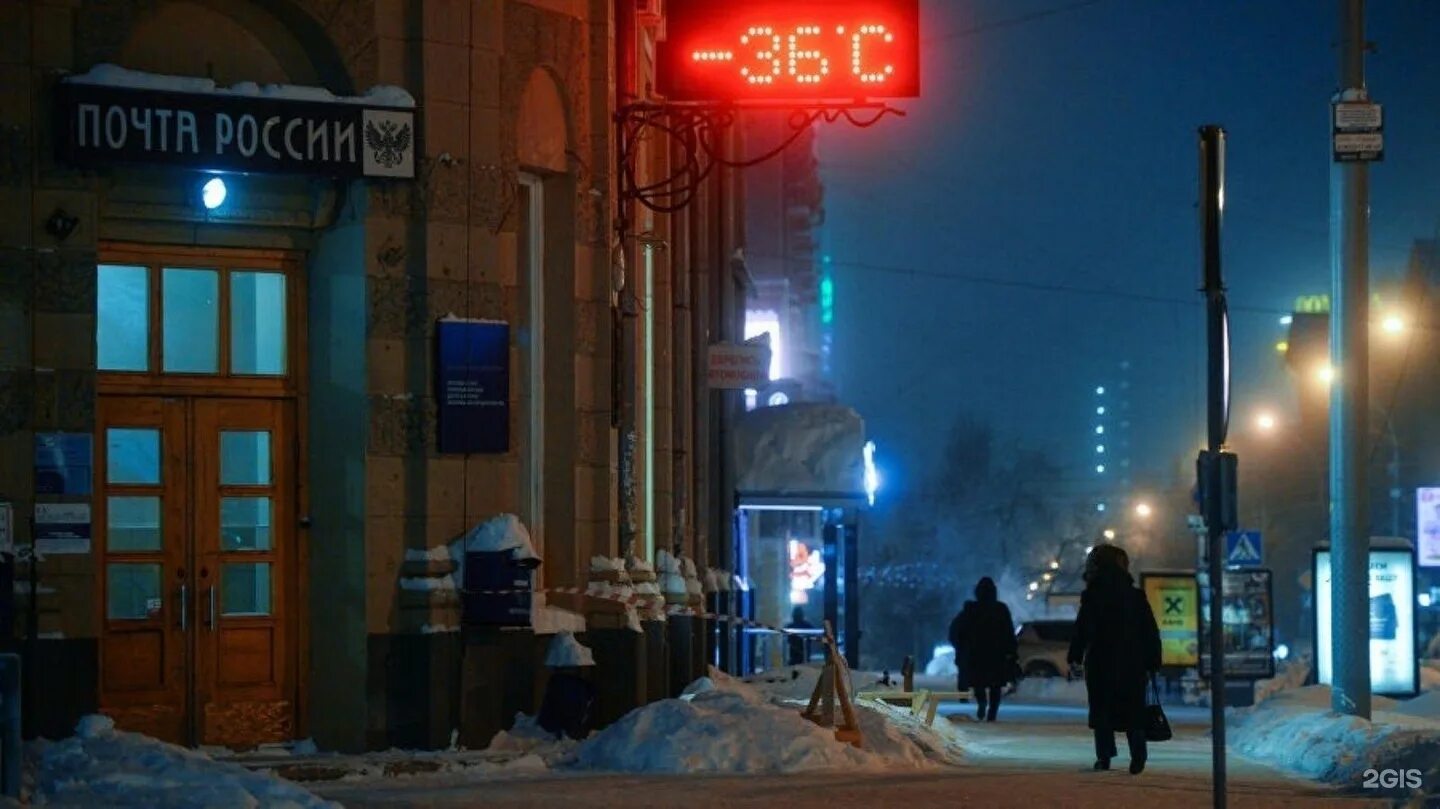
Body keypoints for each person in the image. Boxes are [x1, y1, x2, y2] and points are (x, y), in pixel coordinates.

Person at [1067, 544, 1162, 774]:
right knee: (1134, 710)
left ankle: (1104, 757)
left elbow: (1083, 629)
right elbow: (1149, 630)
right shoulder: (1135, 596)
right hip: (1133, 662)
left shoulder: (1094, 596)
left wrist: (1075, 656)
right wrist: (1153, 661)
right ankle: (1138, 757)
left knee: (1102, 710)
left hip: (1101, 661)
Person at [948, 577, 1018, 722]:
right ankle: (992, 712)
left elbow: (955, 631)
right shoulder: (1000, 610)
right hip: (996, 654)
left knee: (979, 682)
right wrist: (1011, 651)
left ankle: (982, 703)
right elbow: (1008, 632)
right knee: (995, 685)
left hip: (976, 654)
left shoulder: (970, 611)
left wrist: (962, 647)